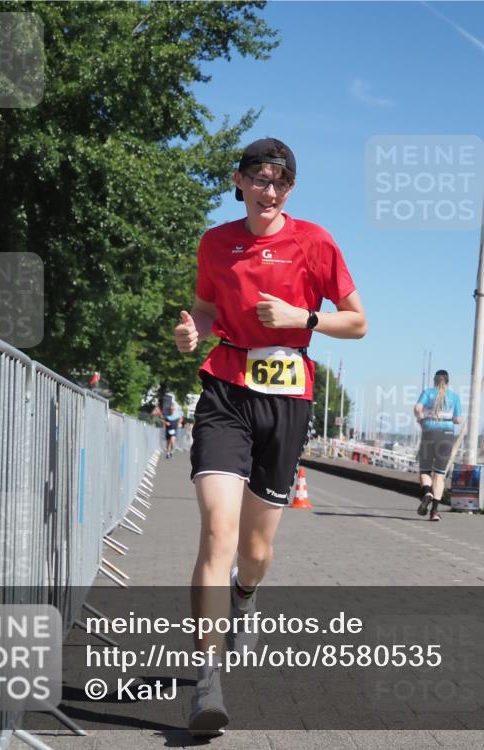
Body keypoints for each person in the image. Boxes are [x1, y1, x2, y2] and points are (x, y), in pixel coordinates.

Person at [174, 137, 367, 736]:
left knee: (254, 553)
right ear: (241, 181)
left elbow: (358, 322)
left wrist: (302, 318)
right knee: (218, 531)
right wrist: (192, 331)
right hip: (226, 389)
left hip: (288, 397)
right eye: (260, 178)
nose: (270, 189)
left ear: (291, 189)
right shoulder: (217, 242)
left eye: (281, 181)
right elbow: (205, 310)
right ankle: (206, 678)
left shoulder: (315, 241)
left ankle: (246, 596)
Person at [413, 370, 462, 522]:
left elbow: (417, 409)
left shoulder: (427, 392)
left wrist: (420, 420)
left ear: (434, 381)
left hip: (429, 431)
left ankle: (427, 492)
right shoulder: (454, 396)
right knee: (439, 475)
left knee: (425, 470)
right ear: (447, 382)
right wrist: (450, 420)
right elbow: (459, 419)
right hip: (447, 434)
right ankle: (434, 512)